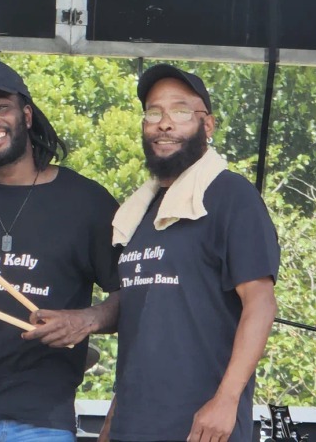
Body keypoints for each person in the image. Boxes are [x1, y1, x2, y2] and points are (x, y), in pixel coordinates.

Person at [0, 59, 121, 441]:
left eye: (1, 107)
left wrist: (87, 319)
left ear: (26, 115)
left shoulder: (87, 202)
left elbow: (137, 295)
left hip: (42, 418)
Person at [102, 64, 280, 442]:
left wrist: (226, 400)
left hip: (202, 428)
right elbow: (144, 328)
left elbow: (261, 303)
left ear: (208, 125)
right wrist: (114, 418)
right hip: (132, 427)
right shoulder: (139, 213)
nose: (164, 123)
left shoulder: (231, 196)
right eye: (153, 112)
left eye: (181, 111)